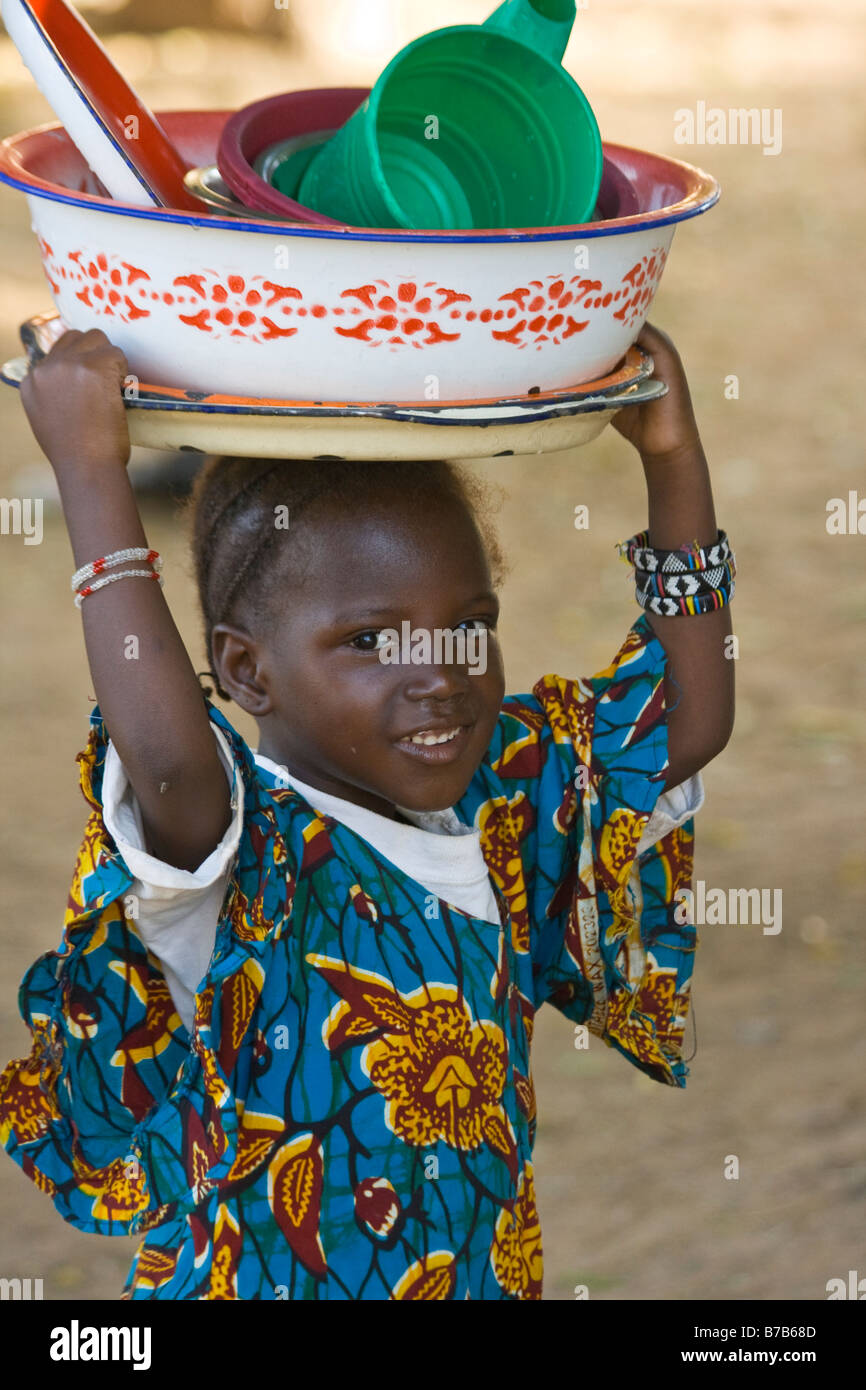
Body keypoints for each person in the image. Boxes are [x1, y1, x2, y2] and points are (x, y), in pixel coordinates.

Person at [0, 322, 734, 1300]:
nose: (439, 675)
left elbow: (682, 716)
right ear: (246, 670)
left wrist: (671, 455)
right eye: (368, 640)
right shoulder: (241, 850)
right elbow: (169, 762)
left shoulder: (504, 803)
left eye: (469, 626)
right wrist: (93, 474)